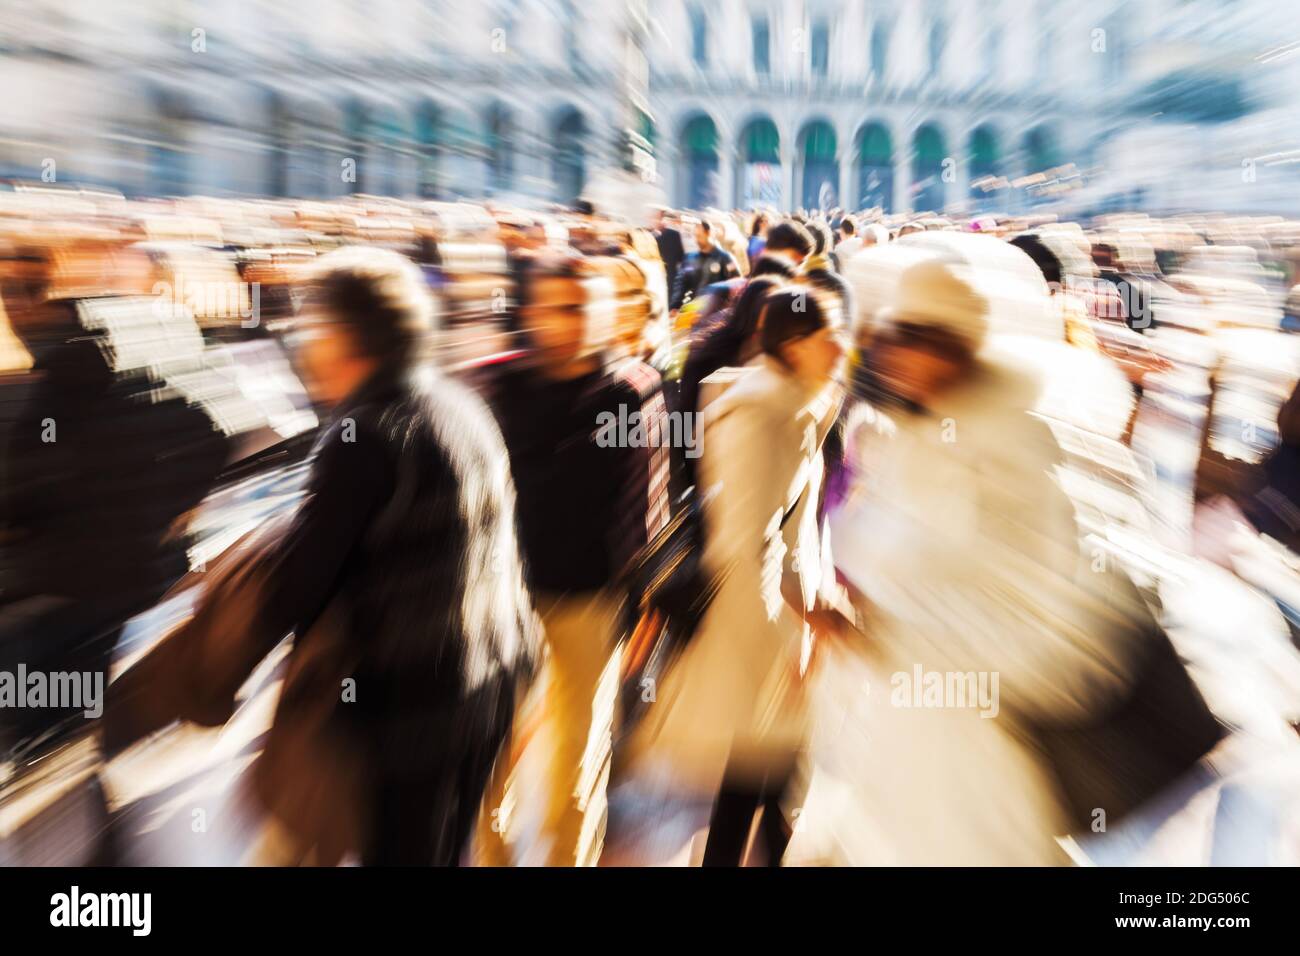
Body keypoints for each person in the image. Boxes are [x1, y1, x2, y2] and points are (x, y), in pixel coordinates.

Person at [209, 246, 538, 865]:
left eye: (312, 327)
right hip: (487, 685)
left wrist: (217, 660)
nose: (303, 346)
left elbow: (298, 586)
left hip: (409, 712)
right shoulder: (462, 407)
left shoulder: (364, 433)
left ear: (343, 337)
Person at [827, 259, 1139, 864]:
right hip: (904, 753)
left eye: (912, 338)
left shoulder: (1014, 456)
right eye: (891, 336)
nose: (891, 355)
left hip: (975, 767)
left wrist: (887, 632)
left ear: (954, 349)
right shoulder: (913, 433)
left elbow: (1041, 632)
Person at [630, 286, 855, 866]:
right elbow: (748, 535)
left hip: (780, 614)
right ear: (794, 344)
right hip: (760, 619)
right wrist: (808, 615)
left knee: (768, 771)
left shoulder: (801, 401)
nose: (841, 348)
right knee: (759, 770)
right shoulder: (761, 411)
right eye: (829, 336)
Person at [484, 252, 670, 866]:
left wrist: (643, 601)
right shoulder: (503, 386)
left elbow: (646, 506)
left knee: (574, 759)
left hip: (589, 605)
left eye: (581, 306)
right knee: (492, 754)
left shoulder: (631, 389)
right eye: (556, 306)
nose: (569, 320)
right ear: (532, 311)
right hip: (500, 602)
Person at [674, 219, 739, 310]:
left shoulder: (725, 258)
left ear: (708, 233)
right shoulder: (690, 259)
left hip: (717, 312)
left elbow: (736, 282)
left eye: (699, 236)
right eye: (695, 236)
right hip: (694, 310)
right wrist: (675, 306)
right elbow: (682, 284)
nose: (696, 240)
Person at [652, 207, 685, 314]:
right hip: (662, 278)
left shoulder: (673, 235)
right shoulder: (652, 235)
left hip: (669, 278)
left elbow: (681, 257)